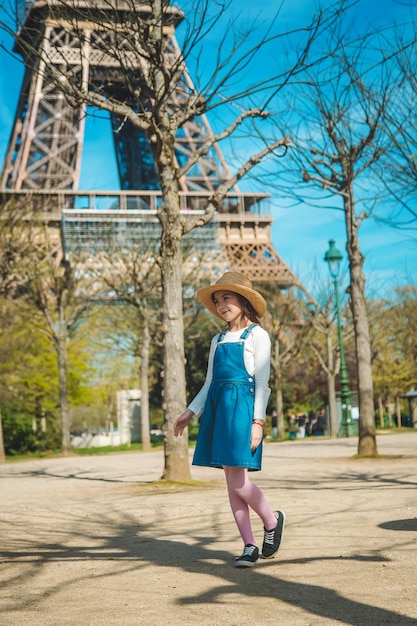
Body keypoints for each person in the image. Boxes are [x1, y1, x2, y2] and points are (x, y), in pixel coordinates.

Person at [173, 271, 285, 568]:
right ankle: (249, 545)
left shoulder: (258, 335)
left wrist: (258, 423)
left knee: (238, 482)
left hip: (242, 412)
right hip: (220, 411)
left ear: (243, 300)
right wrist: (190, 412)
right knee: (232, 482)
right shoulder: (217, 339)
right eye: (218, 300)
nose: (222, 304)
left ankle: (272, 521)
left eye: (228, 297)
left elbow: (262, 383)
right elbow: (210, 383)